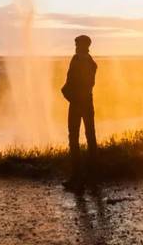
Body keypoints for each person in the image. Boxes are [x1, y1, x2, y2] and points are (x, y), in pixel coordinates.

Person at [61, 34, 98, 189]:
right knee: (90, 137)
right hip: (87, 102)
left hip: (77, 102)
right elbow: (89, 84)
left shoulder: (77, 60)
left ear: (83, 45)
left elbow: (71, 82)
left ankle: (77, 177)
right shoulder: (91, 63)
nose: (75, 47)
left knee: (74, 139)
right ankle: (92, 176)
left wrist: (66, 93)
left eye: (77, 44)